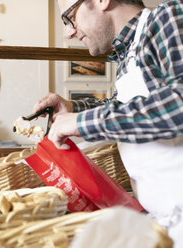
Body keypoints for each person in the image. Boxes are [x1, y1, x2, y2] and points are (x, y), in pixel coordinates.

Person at [34, 0, 183, 246]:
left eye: (69, 17)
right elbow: (127, 108)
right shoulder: (128, 54)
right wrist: (72, 109)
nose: (68, 32)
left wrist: (81, 122)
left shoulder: (169, 17)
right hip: (165, 224)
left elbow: (178, 102)